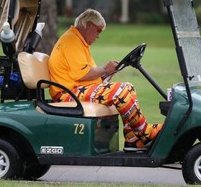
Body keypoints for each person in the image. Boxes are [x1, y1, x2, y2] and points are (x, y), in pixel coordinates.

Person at [48, 8, 163, 152]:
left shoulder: (78, 41)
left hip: (76, 91)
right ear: (88, 25)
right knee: (121, 91)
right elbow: (83, 74)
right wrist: (105, 70)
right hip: (68, 95)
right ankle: (146, 133)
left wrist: (105, 75)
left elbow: (86, 75)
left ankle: (132, 139)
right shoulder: (71, 40)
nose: (98, 36)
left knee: (128, 88)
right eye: (98, 31)